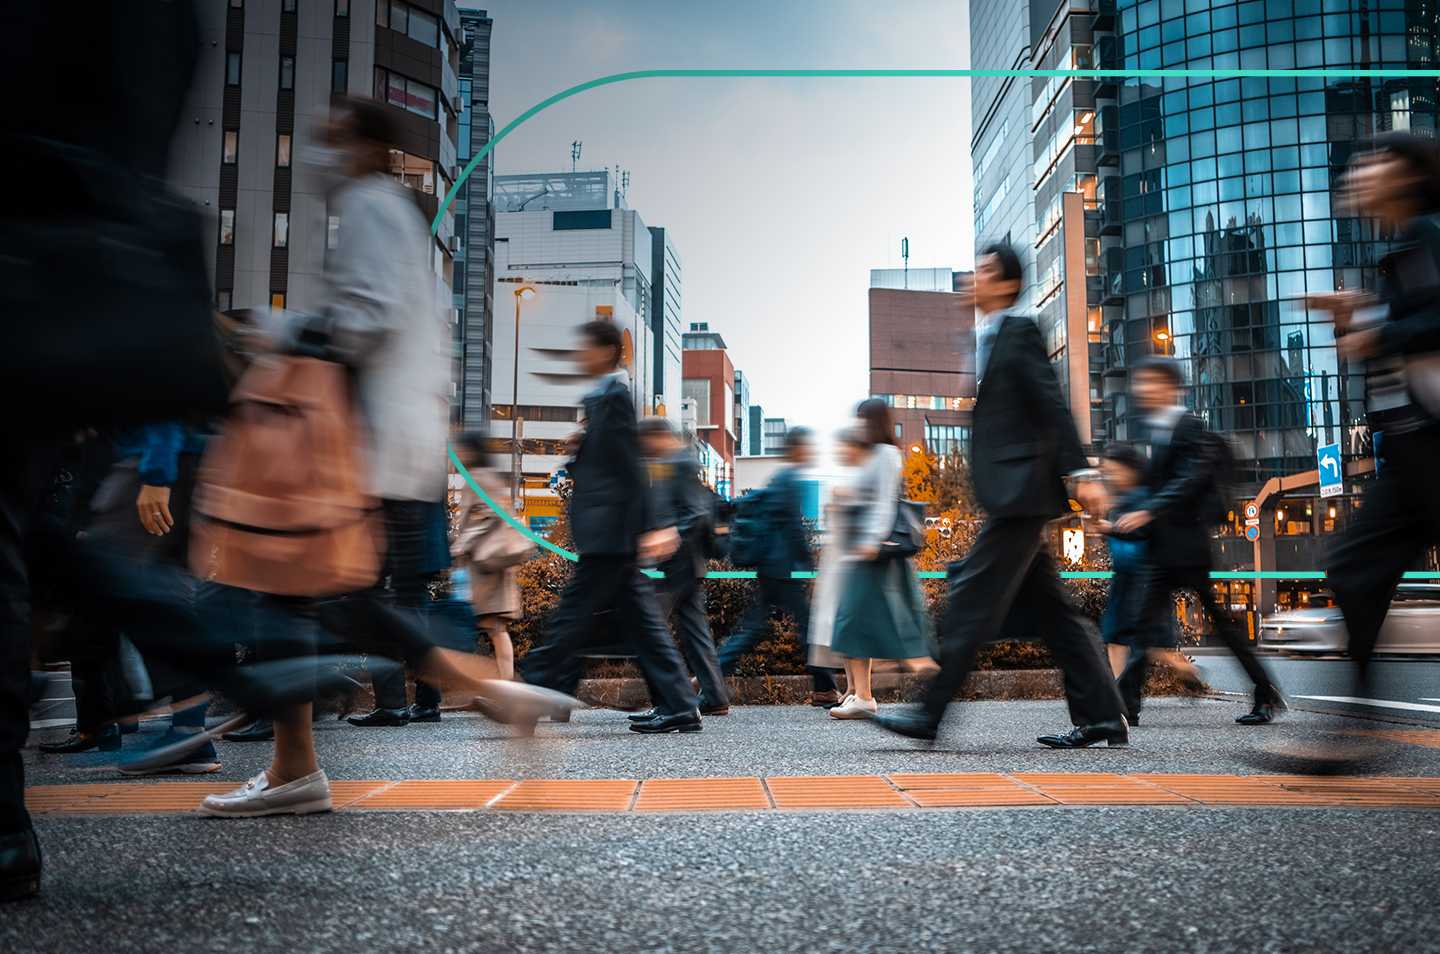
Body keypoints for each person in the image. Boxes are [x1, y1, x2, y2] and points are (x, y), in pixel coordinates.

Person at [197, 98, 571, 817]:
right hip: (391, 445)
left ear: (364, 147)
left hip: (356, 449)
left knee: (292, 593)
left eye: (332, 139)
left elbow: (363, 319)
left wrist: (272, 333)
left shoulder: (370, 208)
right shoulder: (399, 219)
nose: (320, 155)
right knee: (330, 601)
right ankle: (304, 763)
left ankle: (302, 767)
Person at [873, 243, 1128, 748]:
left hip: (1023, 495)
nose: (975, 277)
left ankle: (929, 713)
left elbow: (1050, 403)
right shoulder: (985, 338)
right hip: (1013, 494)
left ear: (1007, 284)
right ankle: (1103, 715)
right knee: (1057, 616)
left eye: (986, 271)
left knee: (970, 602)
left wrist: (1079, 470)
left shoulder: (1019, 331)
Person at [1304, 133, 1440, 770]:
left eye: (1370, 163)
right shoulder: (1403, 251)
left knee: (1356, 569)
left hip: (1432, 446)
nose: (1356, 174)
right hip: (1409, 454)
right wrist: (1359, 319)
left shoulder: (1429, 236)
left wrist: (1375, 326)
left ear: (1407, 173)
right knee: (1354, 570)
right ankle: (1354, 731)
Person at [520, 320, 703, 735]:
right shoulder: (604, 399)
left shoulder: (615, 397)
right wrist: (578, 453)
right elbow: (610, 463)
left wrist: (655, 525)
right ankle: (679, 704)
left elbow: (630, 467)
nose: (579, 356)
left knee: (570, 619)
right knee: (641, 625)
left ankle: (528, 696)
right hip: (611, 534)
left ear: (604, 351)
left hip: (610, 534)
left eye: (584, 348)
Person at [1111, 356, 1280, 726]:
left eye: (1152, 381)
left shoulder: (1189, 426)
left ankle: (1265, 694)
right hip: (1166, 548)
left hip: (1187, 548)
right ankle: (1126, 705)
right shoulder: (1160, 430)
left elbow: (1189, 480)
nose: (1143, 389)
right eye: (1141, 382)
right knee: (1142, 628)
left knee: (1219, 625)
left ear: (1172, 387)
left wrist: (1149, 511)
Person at [812, 408, 934, 721]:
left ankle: (865, 694)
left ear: (874, 421)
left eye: (863, 420)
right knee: (852, 621)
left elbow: (883, 501)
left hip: (871, 551)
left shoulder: (885, 454)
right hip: (860, 552)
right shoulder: (875, 454)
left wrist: (874, 540)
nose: (858, 425)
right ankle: (859, 692)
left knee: (852, 621)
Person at [716, 427, 842, 707]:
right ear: (797, 449)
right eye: (808, 447)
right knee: (806, 627)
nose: (811, 452)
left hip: (770, 566)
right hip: (782, 569)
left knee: (755, 628)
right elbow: (794, 530)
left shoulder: (781, 478)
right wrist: (808, 565)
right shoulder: (790, 480)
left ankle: (711, 676)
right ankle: (825, 690)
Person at [1096, 442, 1202, 725]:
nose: (1110, 477)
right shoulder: (1118, 501)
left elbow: (1144, 532)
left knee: (1145, 642)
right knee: (1115, 638)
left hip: (1143, 578)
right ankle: (1121, 702)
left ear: (1130, 469)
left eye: (1114, 471)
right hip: (1123, 579)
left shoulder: (1145, 497)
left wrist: (1112, 528)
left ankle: (1181, 669)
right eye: (1106, 472)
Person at [633, 417, 730, 717]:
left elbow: (697, 512)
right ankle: (713, 696)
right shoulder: (671, 462)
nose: (645, 448)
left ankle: (670, 700)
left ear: (659, 436)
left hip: (678, 562)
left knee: (649, 629)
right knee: (694, 633)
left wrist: (670, 534)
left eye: (647, 441)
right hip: (684, 563)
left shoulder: (680, 463)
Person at [451, 432, 519, 682]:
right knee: (494, 628)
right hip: (491, 563)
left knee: (495, 628)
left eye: (461, 450)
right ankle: (506, 684)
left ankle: (507, 686)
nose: (457, 455)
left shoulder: (479, 478)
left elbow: (487, 514)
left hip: (487, 564)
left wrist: (461, 545)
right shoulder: (488, 476)